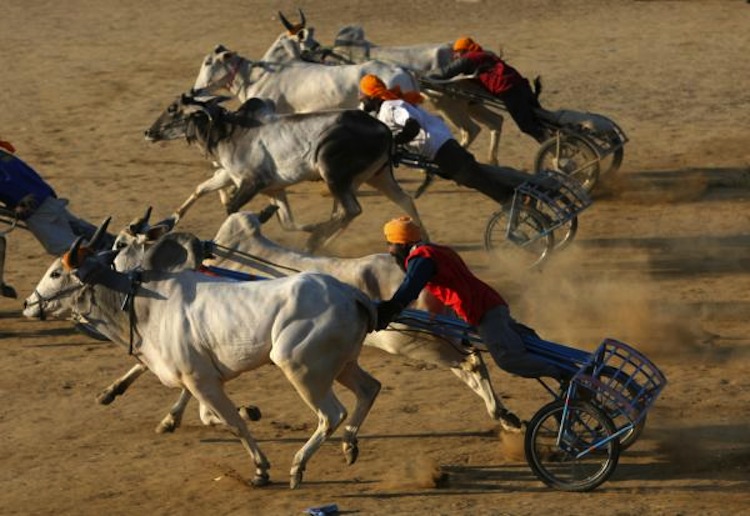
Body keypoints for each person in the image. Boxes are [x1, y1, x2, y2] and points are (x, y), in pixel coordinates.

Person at [375, 215, 566, 382]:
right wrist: (433, 314)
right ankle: (565, 365)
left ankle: (566, 374)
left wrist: (390, 308)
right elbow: (442, 286)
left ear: (402, 243)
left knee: (508, 359)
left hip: (483, 311)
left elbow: (410, 287)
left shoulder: (421, 258)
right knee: (526, 343)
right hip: (490, 303)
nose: (390, 250)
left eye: (390, 244)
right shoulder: (437, 250)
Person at [359, 74, 557, 205]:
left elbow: (412, 126)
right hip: (442, 146)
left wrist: (395, 143)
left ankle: (516, 199)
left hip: (441, 148)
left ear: (371, 96)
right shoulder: (389, 106)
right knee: (480, 173)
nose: (361, 99)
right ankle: (526, 190)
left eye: (363, 96)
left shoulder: (391, 107)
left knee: (475, 179)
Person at [0, 137, 107, 298]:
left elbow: (7, 184)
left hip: (34, 207)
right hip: (45, 197)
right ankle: (109, 247)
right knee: (81, 232)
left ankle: (108, 277)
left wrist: (19, 202)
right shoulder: (3, 155)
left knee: (66, 247)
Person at [429, 37, 547, 144]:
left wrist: (423, 76)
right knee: (541, 120)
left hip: (508, 89)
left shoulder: (467, 59)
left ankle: (551, 145)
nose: (455, 56)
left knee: (527, 125)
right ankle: (555, 141)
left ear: (463, 51)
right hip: (521, 85)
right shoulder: (485, 55)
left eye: (457, 53)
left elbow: (445, 73)